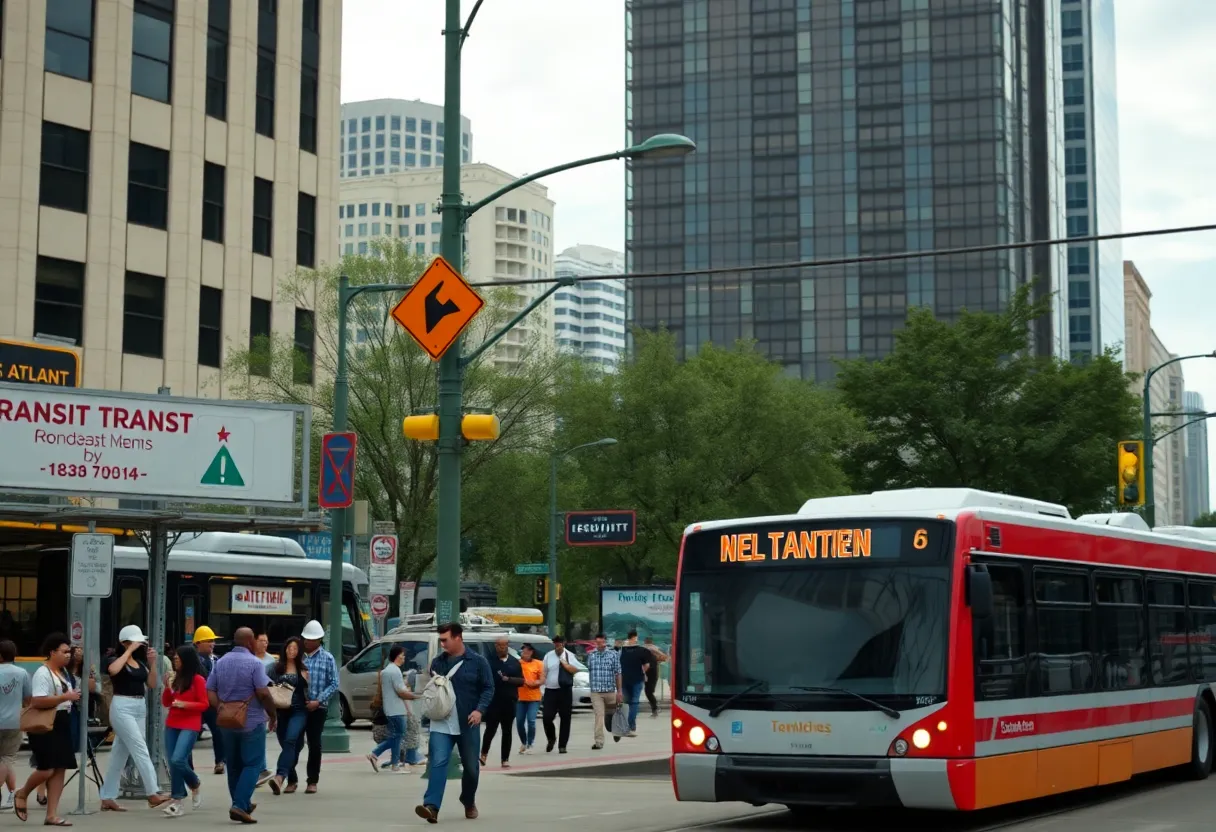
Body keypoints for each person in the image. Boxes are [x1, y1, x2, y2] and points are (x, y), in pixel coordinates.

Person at [413, 622, 493, 823]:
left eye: (445, 640)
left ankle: (468, 800)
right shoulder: (438, 663)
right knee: (438, 762)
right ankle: (431, 807)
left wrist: (479, 710)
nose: (442, 644)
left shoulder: (478, 662)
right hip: (442, 723)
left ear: (458, 637)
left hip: (468, 723)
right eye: (440, 640)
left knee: (471, 768)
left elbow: (488, 688)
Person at [206, 628, 276, 824]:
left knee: (234, 764)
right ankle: (238, 804)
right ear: (249, 642)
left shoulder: (220, 662)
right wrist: (273, 714)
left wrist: (220, 707)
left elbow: (210, 690)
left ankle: (242, 804)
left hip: (227, 723)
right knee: (253, 763)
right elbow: (263, 693)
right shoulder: (255, 663)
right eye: (254, 639)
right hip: (251, 721)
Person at [99, 624, 171, 811]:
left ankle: (107, 796)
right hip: (122, 706)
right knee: (140, 748)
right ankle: (153, 792)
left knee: (119, 754)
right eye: (136, 642)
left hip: (139, 706)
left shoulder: (139, 664)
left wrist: (153, 662)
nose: (140, 645)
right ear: (126, 643)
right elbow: (113, 670)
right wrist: (128, 649)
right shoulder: (114, 659)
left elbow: (153, 683)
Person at [14, 634, 79, 825]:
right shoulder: (43, 673)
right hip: (45, 724)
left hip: (62, 721)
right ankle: (22, 793)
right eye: (64, 652)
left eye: (69, 652)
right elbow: (38, 700)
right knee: (46, 769)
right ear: (52, 652)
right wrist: (66, 697)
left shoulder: (63, 673)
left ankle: (51, 815)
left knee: (60, 769)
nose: (68, 655)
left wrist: (69, 697)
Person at [161, 645, 207, 817]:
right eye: (174, 658)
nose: (175, 661)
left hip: (190, 724)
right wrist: (167, 687)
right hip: (173, 723)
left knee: (178, 759)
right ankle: (177, 800)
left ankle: (194, 784)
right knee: (173, 763)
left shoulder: (198, 680)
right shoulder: (175, 678)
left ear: (186, 660)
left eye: (178, 659)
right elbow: (166, 702)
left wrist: (185, 704)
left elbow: (204, 704)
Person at [298, 620, 338, 795]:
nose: (306, 642)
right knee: (294, 742)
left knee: (314, 745)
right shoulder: (298, 657)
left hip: (318, 708)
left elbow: (334, 683)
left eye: (310, 639)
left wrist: (318, 701)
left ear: (318, 640)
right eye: (305, 638)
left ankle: (312, 780)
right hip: (298, 707)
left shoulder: (327, 658)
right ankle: (290, 778)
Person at [367, 645, 417, 773]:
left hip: (390, 709)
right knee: (397, 736)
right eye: (403, 655)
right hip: (397, 710)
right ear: (397, 656)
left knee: (396, 736)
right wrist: (415, 696)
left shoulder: (386, 671)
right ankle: (376, 755)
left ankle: (392, 763)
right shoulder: (395, 671)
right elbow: (401, 691)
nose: (404, 657)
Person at [268, 636, 308, 795]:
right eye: (289, 647)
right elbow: (266, 687)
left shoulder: (304, 668)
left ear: (299, 651)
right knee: (289, 746)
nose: (291, 650)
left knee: (291, 740)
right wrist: (270, 714)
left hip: (299, 710)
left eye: (295, 648)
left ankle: (279, 777)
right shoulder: (275, 667)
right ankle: (292, 779)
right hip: (280, 710)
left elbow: (309, 690)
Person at [478, 637, 522, 768]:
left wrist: (509, 679)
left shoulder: (515, 662)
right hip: (494, 702)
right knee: (490, 729)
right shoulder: (489, 662)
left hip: (510, 701)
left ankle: (505, 759)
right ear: (495, 646)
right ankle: (484, 754)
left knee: (507, 730)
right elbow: (483, 681)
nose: (501, 648)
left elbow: (522, 681)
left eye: (504, 646)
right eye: (499, 645)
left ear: (507, 646)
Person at [0, 641, 31, 817]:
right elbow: (28, 700)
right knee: (7, 758)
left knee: (4, 759)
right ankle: (12, 794)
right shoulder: (22, 673)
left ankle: (11, 795)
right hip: (14, 722)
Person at [540, 636, 584, 754]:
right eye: (556, 644)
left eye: (560, 644)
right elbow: (544, 671)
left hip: (565, 690)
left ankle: (562, 745)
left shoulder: (569, 655)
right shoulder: (548, 655)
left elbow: (576, 669)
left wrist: (565, 664)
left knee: (565, 718)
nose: (558, 646)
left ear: (564, 644)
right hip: (550, 690)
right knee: (547, 717)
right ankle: (551, 738)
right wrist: (541, 684)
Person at [193, 626, 225, 774]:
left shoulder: (217, 659)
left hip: (212, 703)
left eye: (213, 641)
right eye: (208, 641)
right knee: (190, 734)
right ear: (198, 643)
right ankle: (188, 765)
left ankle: (220, 761)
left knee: (218, 732)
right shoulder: (194, 659)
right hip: (196, 702)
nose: (212, 643)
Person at [585, 633, 622, 749]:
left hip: (610, 690)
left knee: (612, 715)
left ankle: (616, 731)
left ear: (605, 642)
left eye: (601, 642)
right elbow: (589, 671)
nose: (599, 645)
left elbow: (618, 673)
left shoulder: (613, 655)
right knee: (599, 715)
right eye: (597, 643)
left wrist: (619, 690)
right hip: (596, 691)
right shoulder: (591, 656)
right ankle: (599, 741)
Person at [618, 630, 651, 736]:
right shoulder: (642, 651)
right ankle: (630, 725)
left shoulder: (621, 650)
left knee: (627, 703)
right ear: (635, 637)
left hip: (624, 679)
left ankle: (627, 725)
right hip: (637, 679)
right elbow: (647, 665)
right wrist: (642, 672)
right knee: (635, 702)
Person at [514, 644, 543, 754]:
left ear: (531, 652)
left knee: (531, 720)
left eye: (526, 651)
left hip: (534, 697)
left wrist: (536, 682)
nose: (524, 653)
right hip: (520, 697)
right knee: (519, 722)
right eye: (523, 651)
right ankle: (524, 742)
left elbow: (542, 678)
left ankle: (530, 743)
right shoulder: (517, 663)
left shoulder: (538, 664)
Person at [643, 637, 668, 718]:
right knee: (648, 692)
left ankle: (655, 708)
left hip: (651, 675)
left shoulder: (654, 654)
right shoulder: (645, 652)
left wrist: (656, 651)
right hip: (648, 674)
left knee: (649, 692)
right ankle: (655, 708)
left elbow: (665, 658)